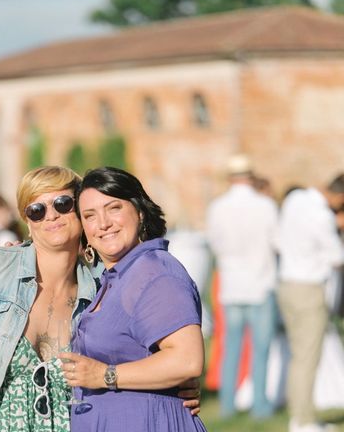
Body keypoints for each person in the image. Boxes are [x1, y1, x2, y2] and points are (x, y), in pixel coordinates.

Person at [0, 166, 200, 431]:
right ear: (27, 221)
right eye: (37, 209)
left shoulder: (104, 284)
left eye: (63, 204)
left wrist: (178, 389)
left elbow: (157, 351)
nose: (51, 215)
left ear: (80, 214)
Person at [59, 166, 207, 431]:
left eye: (114, 208)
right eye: (90, 215)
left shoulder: (155, 271)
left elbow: (187, 360)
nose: (103, 223)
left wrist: (104, 375)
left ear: (139, 212)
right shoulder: (114, 276)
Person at [205, 154, 278, 418]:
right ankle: (260, 406)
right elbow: (276, 241)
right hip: (261, 282)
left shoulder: (218, 207)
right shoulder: (266, 206)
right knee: (261, 349)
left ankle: (228, 404)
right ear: (250, 176)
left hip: (231, 283)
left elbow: (214, 244)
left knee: (231, 347)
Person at [277, 173, 344, 432]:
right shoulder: (322, 216)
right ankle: (303, 421)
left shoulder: (295, 199)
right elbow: (337, 257)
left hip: (286, 284)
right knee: (308, 357)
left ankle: (302, 416)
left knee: (299, 356)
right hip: (309, 288)